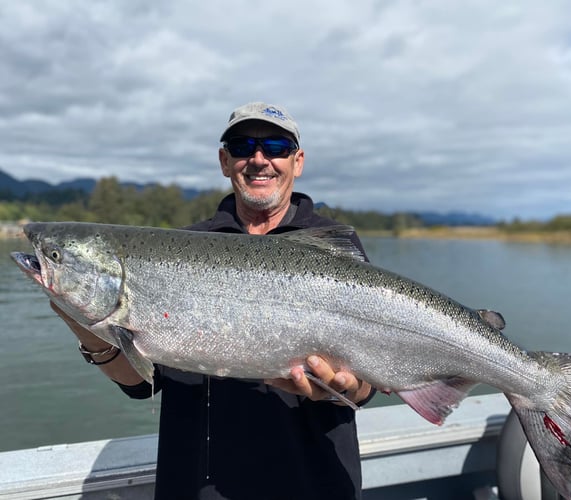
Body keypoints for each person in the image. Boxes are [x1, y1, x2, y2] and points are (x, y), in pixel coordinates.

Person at [52, 102, 374, 500]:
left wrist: (352, 390)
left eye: (275, 145)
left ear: (298, 161)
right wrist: (92, 334)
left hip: (315, 485)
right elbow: (141, 382)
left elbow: (368, 383)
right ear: (225, 161)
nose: (259, 159)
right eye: (242, 146)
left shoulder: (335, 251)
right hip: (197, 489)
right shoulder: (177, 252)